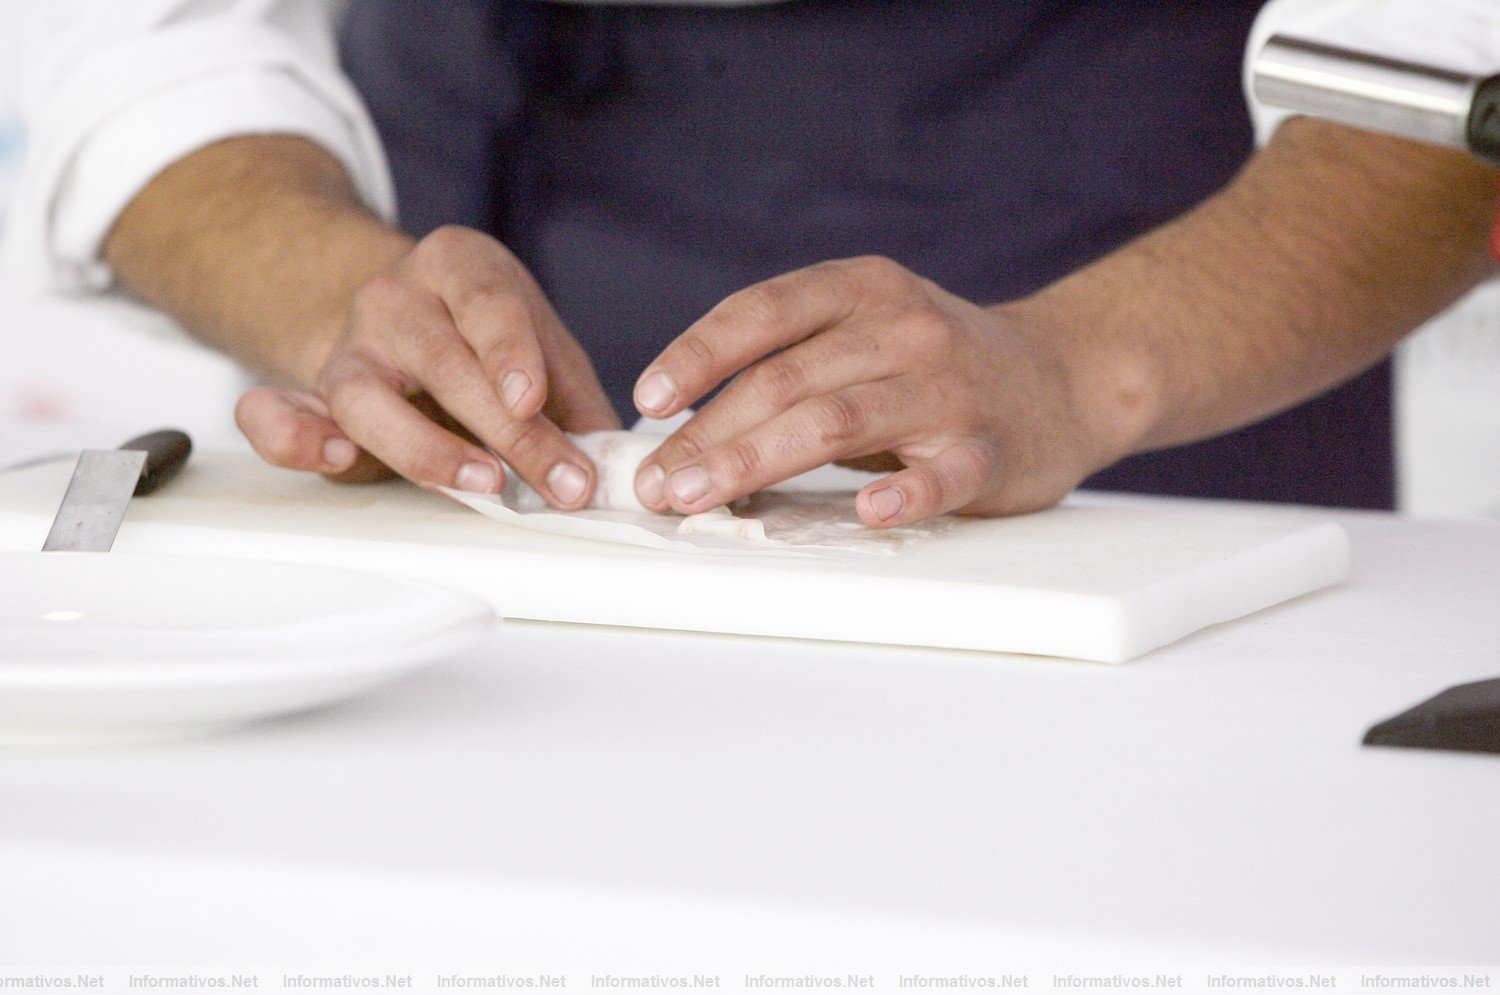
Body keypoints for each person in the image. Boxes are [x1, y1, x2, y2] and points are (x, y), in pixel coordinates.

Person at [4, 0, 1498, 528]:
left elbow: (1453, 53)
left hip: (1110, 189)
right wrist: (334, 299)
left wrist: (1075, 367)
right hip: (448, 124)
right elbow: (124, 22)